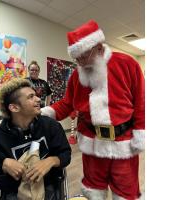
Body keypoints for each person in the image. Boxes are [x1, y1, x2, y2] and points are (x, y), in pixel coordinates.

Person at [41, 20, 145, 200]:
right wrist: (45, 112)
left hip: (123, 143)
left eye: (83, 55)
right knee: (93, 188)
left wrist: (140, 133)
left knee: (126, 192)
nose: (80, 61)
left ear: (98, 47)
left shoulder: (127, 64)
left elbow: (142, 102)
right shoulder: (77, 74)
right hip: (91, 142)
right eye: (77, 58)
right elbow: (67, 103)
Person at [0, 78, 71, 200]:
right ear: (14, 108)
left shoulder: (52, 126)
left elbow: (66, 154)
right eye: (31, 97)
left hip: (48, 186)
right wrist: (3, 163)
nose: (38, 99)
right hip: (13, 192)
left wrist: (50, 161)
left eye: (35, 95)